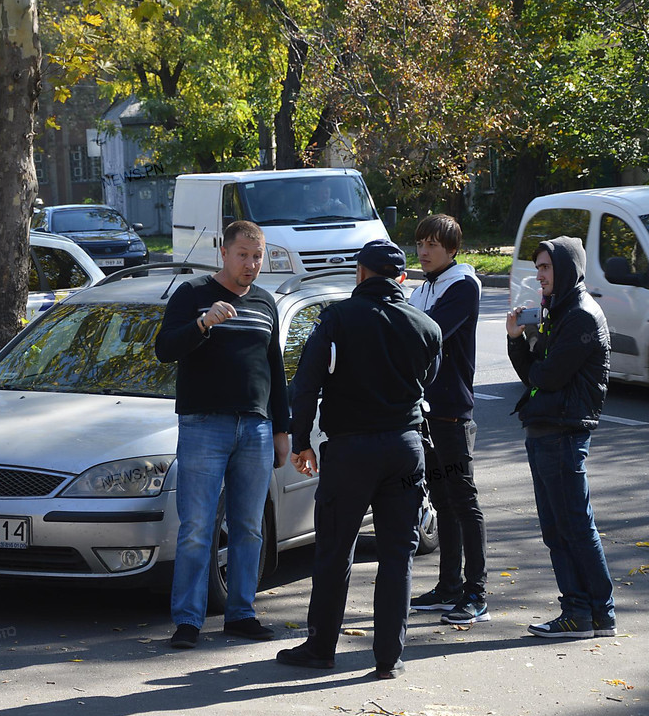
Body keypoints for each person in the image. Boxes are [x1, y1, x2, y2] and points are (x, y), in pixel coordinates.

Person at [277, 239, 442, 679]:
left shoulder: (335, 319)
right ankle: (389, 657)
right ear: (402, 278)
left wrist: (300, 441)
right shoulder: (427, 326)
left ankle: (321, 649)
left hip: (350, 451)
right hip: (405, 451)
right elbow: (428, 380)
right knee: (397, 556)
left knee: (334, 550)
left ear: (361, 273)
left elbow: (307, 383)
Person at [155, 219, 292, 649]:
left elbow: (276, 371)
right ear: (223, 252)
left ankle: (241, 613)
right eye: (243, 255)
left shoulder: (266, 302)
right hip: (203, 425)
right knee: (197, 526)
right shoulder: (193, 295)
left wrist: (283, 428)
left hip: (255, 427)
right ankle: (189, 620)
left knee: (249, 526)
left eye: (258, 256)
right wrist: (202, 325)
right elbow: (163, 350)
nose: (251, 264)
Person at [506, 236, 616, 639]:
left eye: (547, 267)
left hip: (563, 432)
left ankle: (588, 612)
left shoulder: (581, 316)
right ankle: (587, 613)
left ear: (568, 268)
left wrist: (524, 348)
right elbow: (534, 376)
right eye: (538, 268)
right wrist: (520, 340)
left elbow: (546, 377)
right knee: (559, 528)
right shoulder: (561, 310)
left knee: (572, 526)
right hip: (548, 429)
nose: (540, 276)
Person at [407, 214, 489, 625]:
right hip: (426, 411)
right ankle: (448, 586)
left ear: (452, 250)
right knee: (441, 500)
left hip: (453, 412)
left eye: (432, 245)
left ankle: (477, 592)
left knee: (463, 500)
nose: (423, 251)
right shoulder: (422, 288)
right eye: (420, 243)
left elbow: (428, 332)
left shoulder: (463, 285)